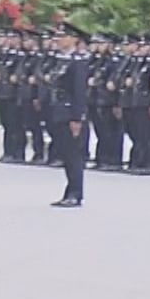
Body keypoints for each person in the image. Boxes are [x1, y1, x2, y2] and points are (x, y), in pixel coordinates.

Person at [48, 24, 91, 207]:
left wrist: (77, 118)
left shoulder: (77, 62)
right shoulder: (61, 61)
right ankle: (69, 191)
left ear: (74, 39)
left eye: (62, 36)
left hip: (69, 113)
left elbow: (79, 93)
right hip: (58, 111)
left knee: (73, 155)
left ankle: (76, 193)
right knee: (66, 154)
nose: (58, 40)